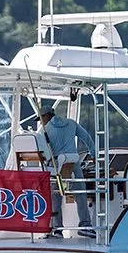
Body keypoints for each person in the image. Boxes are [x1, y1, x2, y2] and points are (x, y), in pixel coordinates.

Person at [37, 99, 96, 236]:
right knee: (81, 194)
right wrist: (93, 154)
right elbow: (86, 137)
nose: (41, 122)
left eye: (40, 118)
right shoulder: (71, 123)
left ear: (46, 116)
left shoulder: (44, 131)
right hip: (73, 164)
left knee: (56, 196)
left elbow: (43, 152)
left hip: (57, 167)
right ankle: (85, 226)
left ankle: (57, 229)